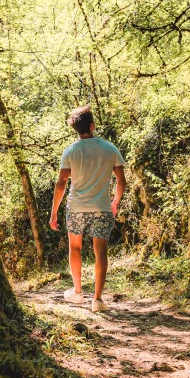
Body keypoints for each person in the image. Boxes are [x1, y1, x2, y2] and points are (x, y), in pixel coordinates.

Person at [49, 105, 126, 312]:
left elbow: (61, 184)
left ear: (76, 128)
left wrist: (54, 211)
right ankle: (98, 299)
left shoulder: (71, 151)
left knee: (75, 248)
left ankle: (77, 292)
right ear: (92, 126)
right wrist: (115, 203)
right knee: (100, 250)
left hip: (76, 207)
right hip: (102, 208)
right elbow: (121, 182)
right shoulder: (110, 148)